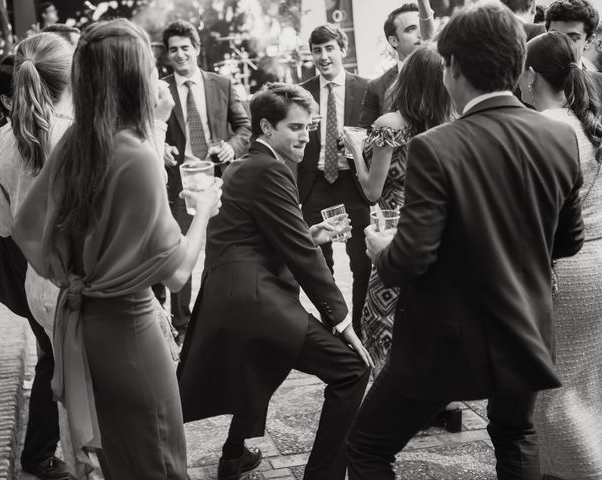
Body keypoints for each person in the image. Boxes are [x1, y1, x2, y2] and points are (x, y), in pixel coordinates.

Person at [346, 4, 585, 479]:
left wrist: (381, 251)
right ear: (518, 67)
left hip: (444, 341)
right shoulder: (560, 138)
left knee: (366, 448)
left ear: (452, 69)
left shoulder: (435, 146)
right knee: (516, 437)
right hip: (524, 326)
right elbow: (568, 240)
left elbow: (411, 257)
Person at [11, 18, 222, 480]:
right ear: (134, 77)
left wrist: (74, 276)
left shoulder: (75, 145)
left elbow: (24, 227)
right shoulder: (137, 156)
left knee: (125, 464)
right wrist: (205, 209)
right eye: (150, 65)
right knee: (162, 461)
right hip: (130, 330)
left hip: (88, 330)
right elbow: (178, 273)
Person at [178, 82, 372, 480]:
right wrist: (341, 319)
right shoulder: (268, 170)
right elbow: (301, 258)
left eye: (309, 127)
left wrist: (311, 233)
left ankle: (234, 456)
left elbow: (264, 233)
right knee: (353, 368)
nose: (306, 136)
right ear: (266, 127)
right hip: (253, 301)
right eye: (296, 127)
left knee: (263, 359)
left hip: (234, 295)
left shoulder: (246, 166)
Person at [0, 34, 75, 479]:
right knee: (93, 387)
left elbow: (3, 228)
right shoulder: (79, 134)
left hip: (40, 286)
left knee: (64, 380)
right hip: (85, 283)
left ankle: (65, 458)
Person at [343, 43, 453, 377]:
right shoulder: (450, 125)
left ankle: (390, 394)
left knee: (381, 318)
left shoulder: (389, 125)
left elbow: (372, 191)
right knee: (428, 319)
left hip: (394, 233)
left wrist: (354, 152)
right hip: (435, 234)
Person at [520, 30, 602, 479]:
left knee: (555, 391)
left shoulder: (549, 127)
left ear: (531, 76)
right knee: (588, 387)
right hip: (598, 262)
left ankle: (578, 471)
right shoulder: (587, 119)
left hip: (567, 268)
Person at [160, 19, 251, 343]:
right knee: (180, 253)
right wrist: (162, 147)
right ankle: (182, 326)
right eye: (173, 50)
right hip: (180, 186)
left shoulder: (221, 84)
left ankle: (223, 316)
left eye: (185, 48)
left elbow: (244, 127)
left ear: (197, 49)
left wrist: (231, 146)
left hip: (218, 181)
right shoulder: (160, 89)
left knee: (223, 251)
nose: (180, 55)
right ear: (167, 55)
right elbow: (149, 130)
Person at [299, 24, 371, 337]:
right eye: (317, 50)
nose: (324, 56)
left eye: (329, 48)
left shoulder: (367, 88)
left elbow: (376, 135)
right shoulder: (301, 92)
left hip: (351, 182)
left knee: (362, 261)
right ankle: (334, 326)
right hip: (314, 183)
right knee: (318, 264)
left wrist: (358, 143)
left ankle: (359, 325)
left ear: (342, 50)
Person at [358, 0, 436, 130]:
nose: (420, 34)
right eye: (410, 29)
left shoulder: (444, 72)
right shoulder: (376, 87)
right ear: (393, 40)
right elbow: (364, 134)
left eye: (421, 26)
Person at [545, 0, 602, 97]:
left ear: (589, 41)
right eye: (554, 36)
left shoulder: (599, 86)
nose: (561, 44)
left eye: (571, 39)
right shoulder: (526, 79)